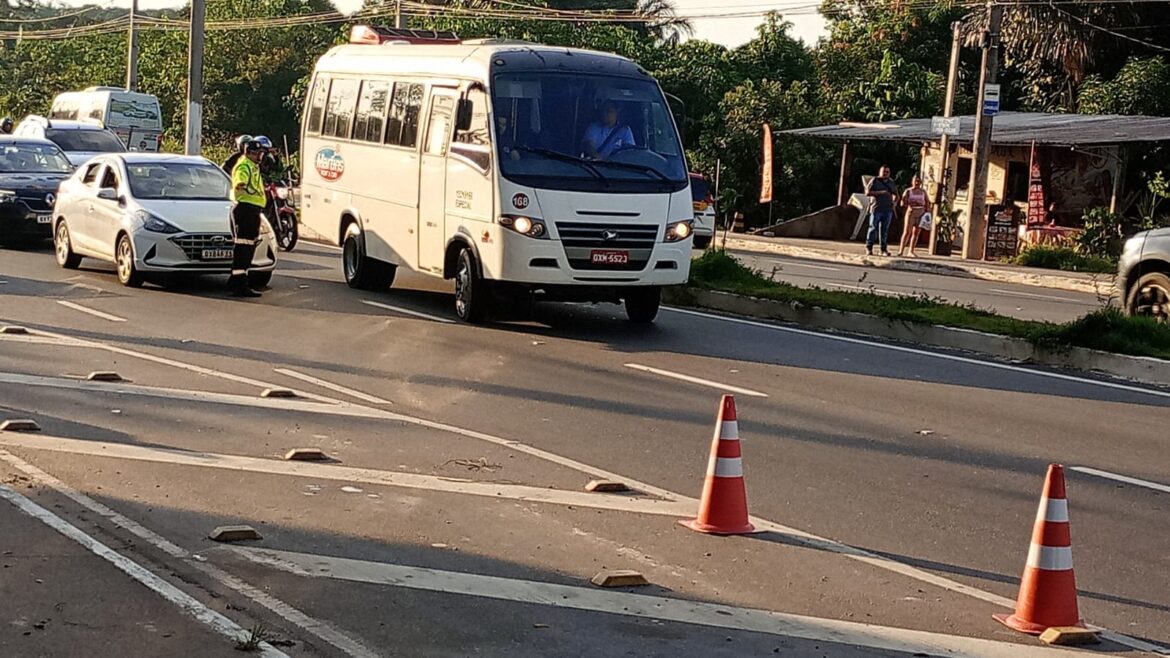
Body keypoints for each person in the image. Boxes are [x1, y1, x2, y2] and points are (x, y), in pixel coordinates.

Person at [227, 140, 266, 298]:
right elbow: (239, 179)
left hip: (252, 209)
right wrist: (240, 183)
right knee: (244, 247)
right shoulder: (244, 165)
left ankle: (235, 281)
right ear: (248, 153)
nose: (259, 156)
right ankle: (239, 285)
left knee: (248, 246)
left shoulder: (253, 166)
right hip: (246, 209)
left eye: (260, 153)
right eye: (256, 153)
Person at [865, 165, 898, 256]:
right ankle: (869, 247)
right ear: (880, 172)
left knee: (884, 230)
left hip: (887, 209)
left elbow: (896, 194)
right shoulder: (875, 181)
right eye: (884, 172)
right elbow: (867, 192)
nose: (885, 174)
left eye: (887, 172)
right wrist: (880, 193)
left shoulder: (891, 182)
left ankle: (883, 249)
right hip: (876, 208)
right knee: (873, 228)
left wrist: (894, 203)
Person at [897, 175, 931, 257]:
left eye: (918, 181)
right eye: (915, 181)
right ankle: (901, 250)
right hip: (911, 212)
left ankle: (911, 251)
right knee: (907, 232)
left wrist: (927, 210)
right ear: (912, 181)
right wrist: (910, 203)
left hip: (921, 212)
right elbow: (902, 203)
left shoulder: (923, 192)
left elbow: (927, 201)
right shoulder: (908, 191)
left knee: (916, 233)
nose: (917, 183)